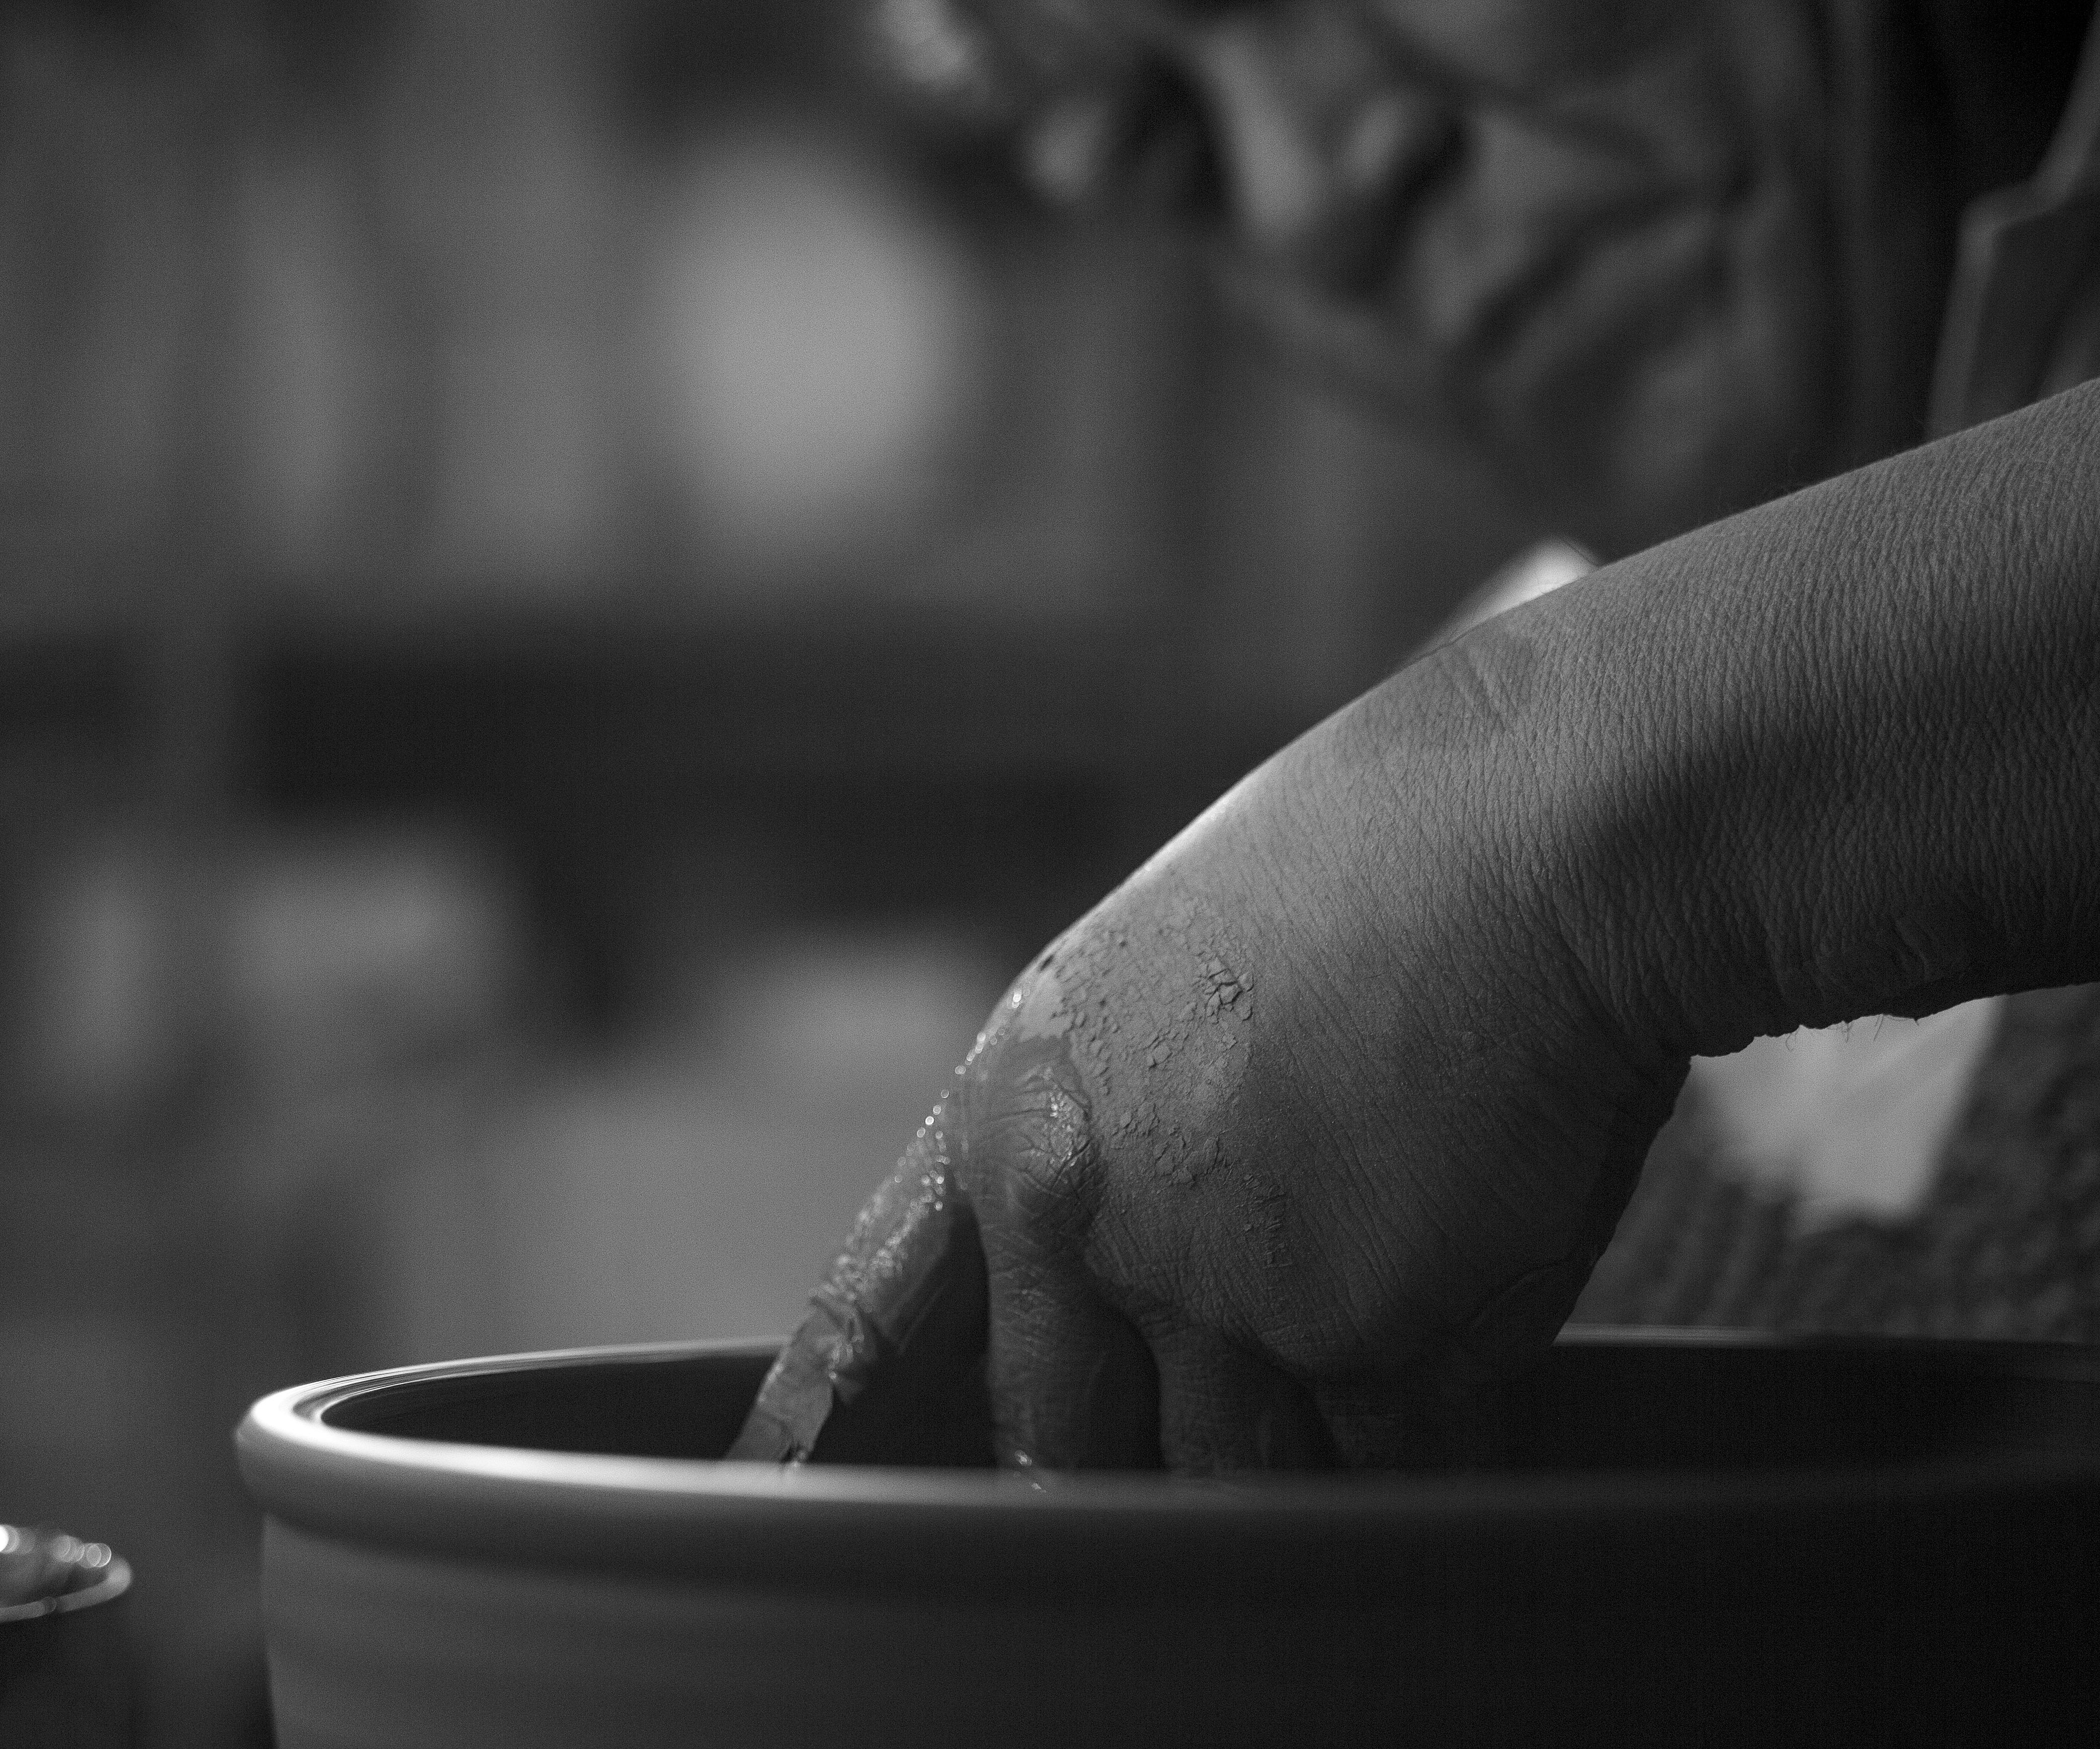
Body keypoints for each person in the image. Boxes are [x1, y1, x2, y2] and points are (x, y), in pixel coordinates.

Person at [735, 0, 2100, 1471]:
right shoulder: (1386, 897)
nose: (1307, 197)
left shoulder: (1493, 822)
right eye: (1161, 142)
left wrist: (1574, 852)